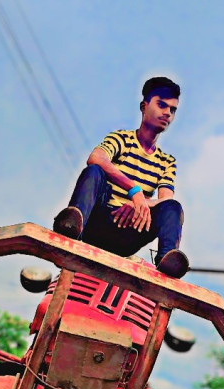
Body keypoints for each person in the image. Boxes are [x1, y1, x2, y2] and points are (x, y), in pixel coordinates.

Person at [53, 76, 189, 278]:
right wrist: (134, 190)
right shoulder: (122, 139)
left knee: (173, 207)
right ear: (144, 107)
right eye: (161, 105)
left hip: (131, 230)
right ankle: (72, 225)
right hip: (99, 222)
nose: (167, 113)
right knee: (94, 171)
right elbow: (96, 157)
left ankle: (167, 262)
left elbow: (165, 201)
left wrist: (139, 204)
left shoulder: (166, 161)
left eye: (173, 109)